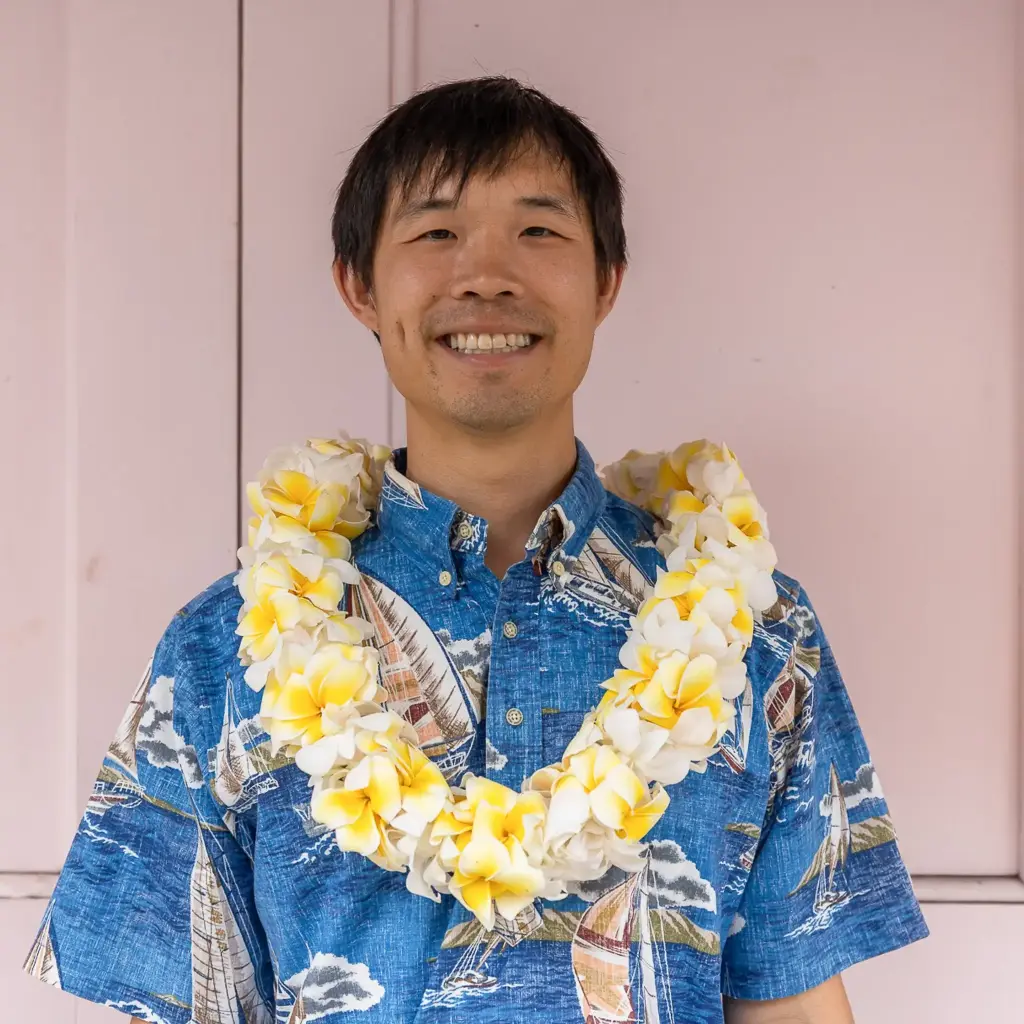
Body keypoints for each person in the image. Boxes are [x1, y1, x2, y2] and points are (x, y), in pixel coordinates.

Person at [24, 75, 928, 1024]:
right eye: (435, 232)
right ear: (359, 286)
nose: (487, 274)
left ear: (606, 281)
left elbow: (792, 1005)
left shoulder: (756, 633)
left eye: (539, 230)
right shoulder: (224, 652)